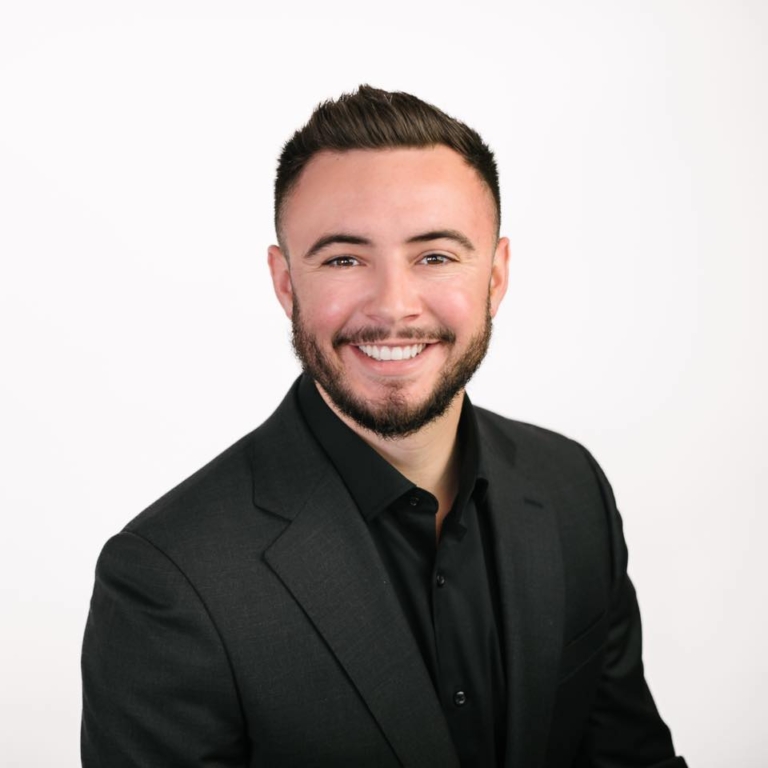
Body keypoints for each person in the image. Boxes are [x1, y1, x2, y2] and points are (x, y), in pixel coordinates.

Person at [81, 85, 687, 767]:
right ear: (286, 283)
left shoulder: (572, 487)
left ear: (495, 277)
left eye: (435, 256)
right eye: (344, 259)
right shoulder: (167, 580)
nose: (394, 307)